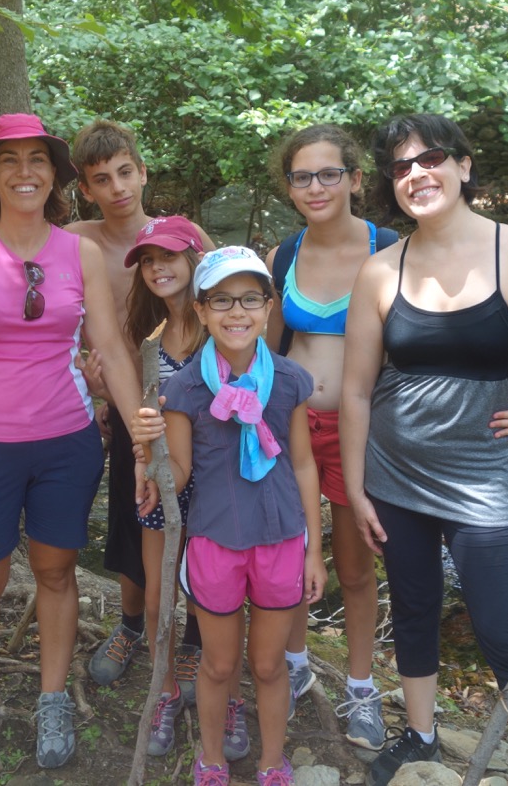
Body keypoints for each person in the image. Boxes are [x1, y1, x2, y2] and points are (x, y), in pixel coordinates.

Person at [338, 113, 508, 786]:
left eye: (431, 159)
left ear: (464, 166)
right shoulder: (379, 271)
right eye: (400, 167)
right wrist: (358, 486)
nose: (417, 174)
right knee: (415, 604)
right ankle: (420, 738)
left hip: (487, 483)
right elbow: (358, 391)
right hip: (394, 479)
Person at [264, 124, 508, 749]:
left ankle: (361, 688)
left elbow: (459, 333)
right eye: (302, 177)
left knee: (358, 567)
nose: (316, 187)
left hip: (371, 430)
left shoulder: (392, 246)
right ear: (289, 188)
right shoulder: (285, 254)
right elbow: (269, 344)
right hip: (294, 427)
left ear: (358, 180)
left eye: (329, 173)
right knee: (288, 550)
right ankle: (296, 663)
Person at [0, 113, 151, 776]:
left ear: (55, 176)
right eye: (9, 161)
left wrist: (139, 433)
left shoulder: (77, 252)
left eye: (37, 160)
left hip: (68, 444)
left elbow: (108, 345)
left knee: (55, 573)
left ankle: (54, 698)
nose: (25, 172)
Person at [135, 246, 328, 786]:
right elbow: (176, 472)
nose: (236, 311)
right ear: (200, 310)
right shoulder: (185, 388)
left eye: (249, 298)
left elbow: (304, 465)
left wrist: (315, 549)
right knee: (219, 665)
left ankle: (271, 762)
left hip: (282, 538)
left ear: (269, 307)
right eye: (221, 299)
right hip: (214, 542)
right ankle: (211, 758)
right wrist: (146, 454)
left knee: (268, 665)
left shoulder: (289, 381)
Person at [64, 120, 213, 693]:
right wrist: (91, 378)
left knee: (203, 520)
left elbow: (224, 306)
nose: (118, 187)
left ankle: (198, 639)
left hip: (195, 404)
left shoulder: (181, 234)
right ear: (86, 187)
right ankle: (132, 626)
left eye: (126, 172)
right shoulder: (77, 239)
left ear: (143, 171)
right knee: (132, 519)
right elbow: (66, 321)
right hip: (130, 409)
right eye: (103, 179)